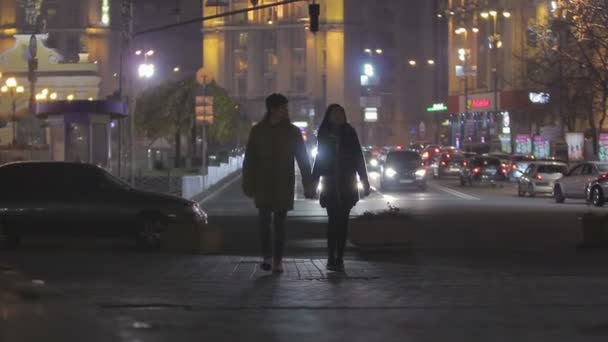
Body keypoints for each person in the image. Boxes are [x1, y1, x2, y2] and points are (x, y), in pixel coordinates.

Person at [242, 93, 315, 273]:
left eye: (286, 108)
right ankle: (266, 257)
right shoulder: (258, 131)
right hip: (263, 183)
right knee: (264, 221)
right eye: (283, 107)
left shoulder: (292, 131)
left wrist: (308, 184)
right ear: (272, 109)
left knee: (280, 223)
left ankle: (278, 260)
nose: (286, 111)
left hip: (283, 182)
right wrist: (248, 183)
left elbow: (303, 159)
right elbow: (249, 159)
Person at [312, 104, 370, 272]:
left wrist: (364, 179)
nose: (338, 116)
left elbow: (358, 156)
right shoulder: (324, 134)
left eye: (341, 113)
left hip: (347, 181)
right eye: (335, 113)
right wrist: (313, 180)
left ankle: (340, 257)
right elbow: (320, 159)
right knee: (332, 221)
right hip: (330, 182)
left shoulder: (350, 132)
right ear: (329, 116)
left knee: (343, 221)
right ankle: (331, 256)